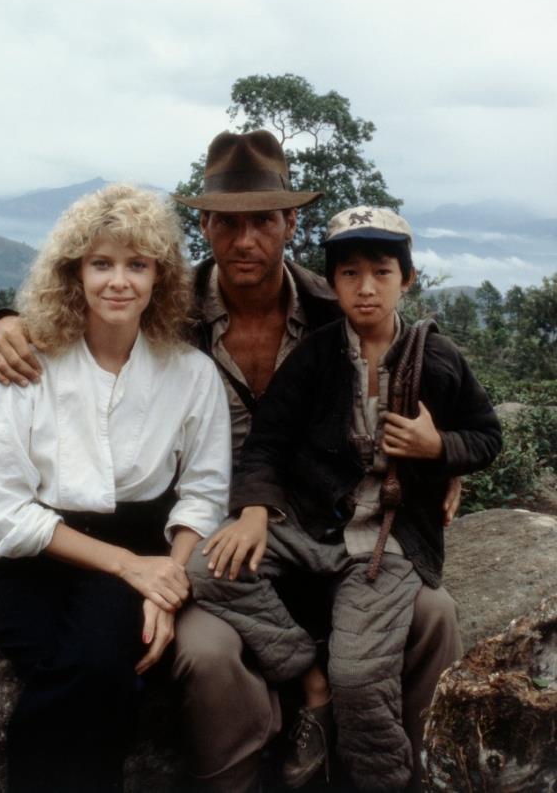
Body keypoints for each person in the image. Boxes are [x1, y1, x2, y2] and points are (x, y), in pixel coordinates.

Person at [0, 130, 463, 792]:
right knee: (204, 655)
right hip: (219, 550)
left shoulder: (336, 308)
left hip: (333, 531)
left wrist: (446, 458)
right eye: (228, 223)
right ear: (203, 225)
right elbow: (89, 314)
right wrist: (5, 323)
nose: (245, 241)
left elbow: (421, 365)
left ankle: (415, 775)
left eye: (263, 222)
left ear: (289, 223)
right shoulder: (171, 317)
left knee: (432, 613)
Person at [188, 205, 502, 791]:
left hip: (385, 540)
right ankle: (308, 677)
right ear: (331, 283)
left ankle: (380, 779)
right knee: (206, 567)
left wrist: (439, 448)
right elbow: (269, 441)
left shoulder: (437, 357)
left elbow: (487, 436)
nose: (366, 289)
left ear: (407, 279)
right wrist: (257, 510)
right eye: (350, 274)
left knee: (360, 677)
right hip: (312, 527)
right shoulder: (317, 355)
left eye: (382, 273)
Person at [0, 185, 231, 793]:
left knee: (97, 666)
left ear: (161, 277)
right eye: (101, 263)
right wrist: (133, 570)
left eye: (136, 264)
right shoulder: (28, 363)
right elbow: (8, 512)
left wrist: (165, 584)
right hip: (31, 559)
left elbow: (204, 492)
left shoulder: (191, 374)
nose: (119, 281)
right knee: (100, 677)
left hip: (140, 550)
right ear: (75, 273)